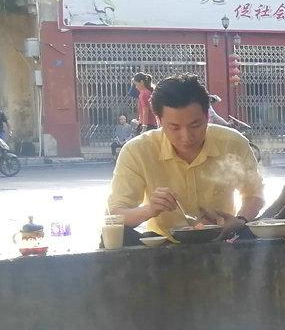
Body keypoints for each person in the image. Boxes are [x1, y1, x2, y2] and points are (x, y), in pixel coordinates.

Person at [107, 74, 265, 239]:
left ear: (207, 117)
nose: (186, 136)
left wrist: (239, 220)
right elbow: (116, 213)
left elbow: (255, 193)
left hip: (222, 242)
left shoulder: (232, 142)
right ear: (159, 120)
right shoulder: (137, 150)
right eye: (174, 127)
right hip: (163, 250)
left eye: (195, 125)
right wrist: (150, 210)